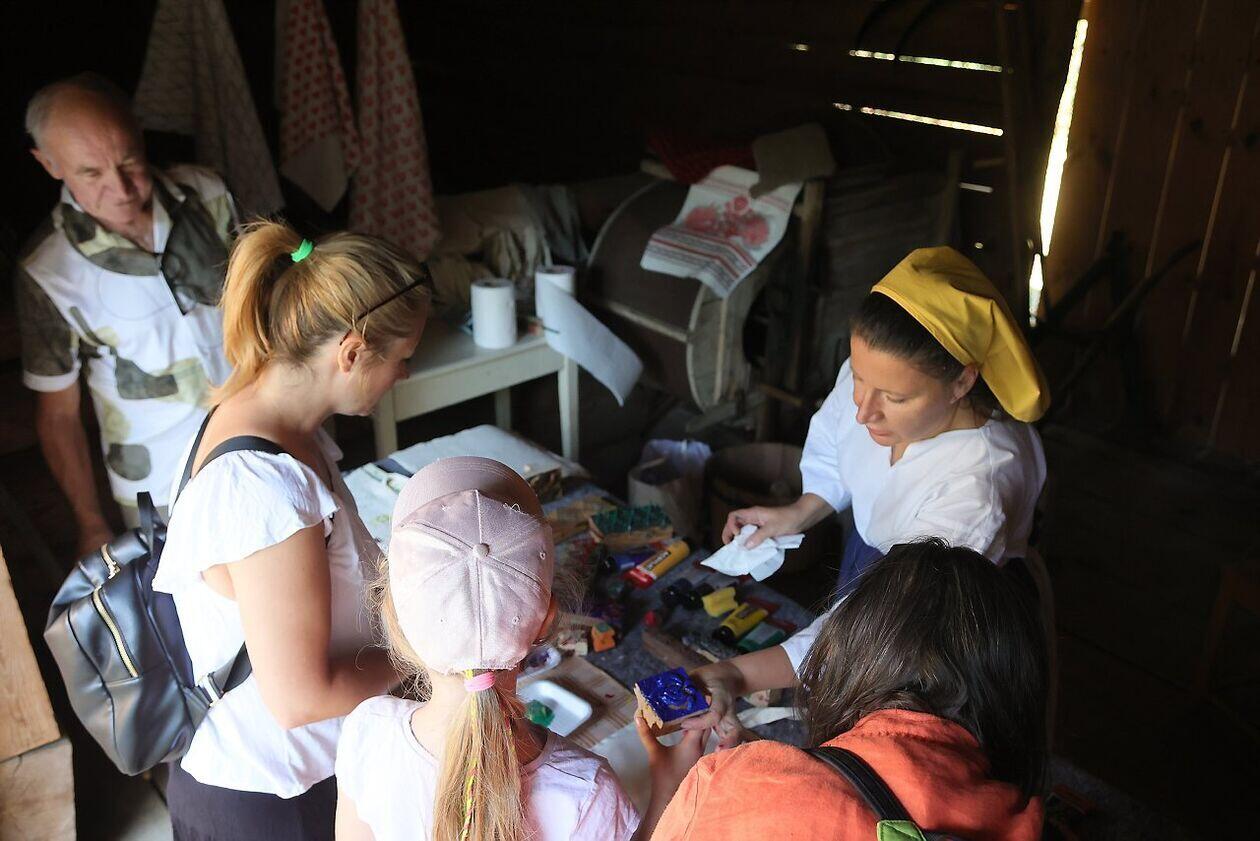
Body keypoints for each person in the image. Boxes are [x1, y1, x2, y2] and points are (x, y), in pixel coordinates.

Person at [693, 246, 1051, 747]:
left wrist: (738, 674)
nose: (864, 411)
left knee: (901, 740)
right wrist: (802, 510)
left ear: (962, 381)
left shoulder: (976, 491)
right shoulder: (879, 374)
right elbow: (836, 436)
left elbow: (872, 630)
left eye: (895, 398)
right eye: (859, 379)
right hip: (879, 566)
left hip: (949, 618)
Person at [151, 221, 430, 841]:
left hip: (307, 773)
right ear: (351, 352)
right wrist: (422, 655)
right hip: (271, 798)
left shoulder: (282, 428)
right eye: (403, 358)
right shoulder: (261, 490)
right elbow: (300, 698)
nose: (405, 375)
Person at [638, 539, 1048, 840]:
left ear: (845, 663)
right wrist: (795, 772)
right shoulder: (1021, 818)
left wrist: (680, 789)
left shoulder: (728, 783)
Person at [335, 456, 639, 841]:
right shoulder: (589, 794)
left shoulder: (367, 732)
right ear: (547, 621)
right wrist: (666, 784)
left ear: (393, 616)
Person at [16, 73, 239, 547]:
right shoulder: (49, 271)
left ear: (140, 133)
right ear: (49, 164)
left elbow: (269, 298)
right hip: (162, 483)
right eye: (91, 173)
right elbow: (58, 416)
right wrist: (90, 524)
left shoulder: (207, 195)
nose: (120, 189)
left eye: (128, 162)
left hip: (264, 437)